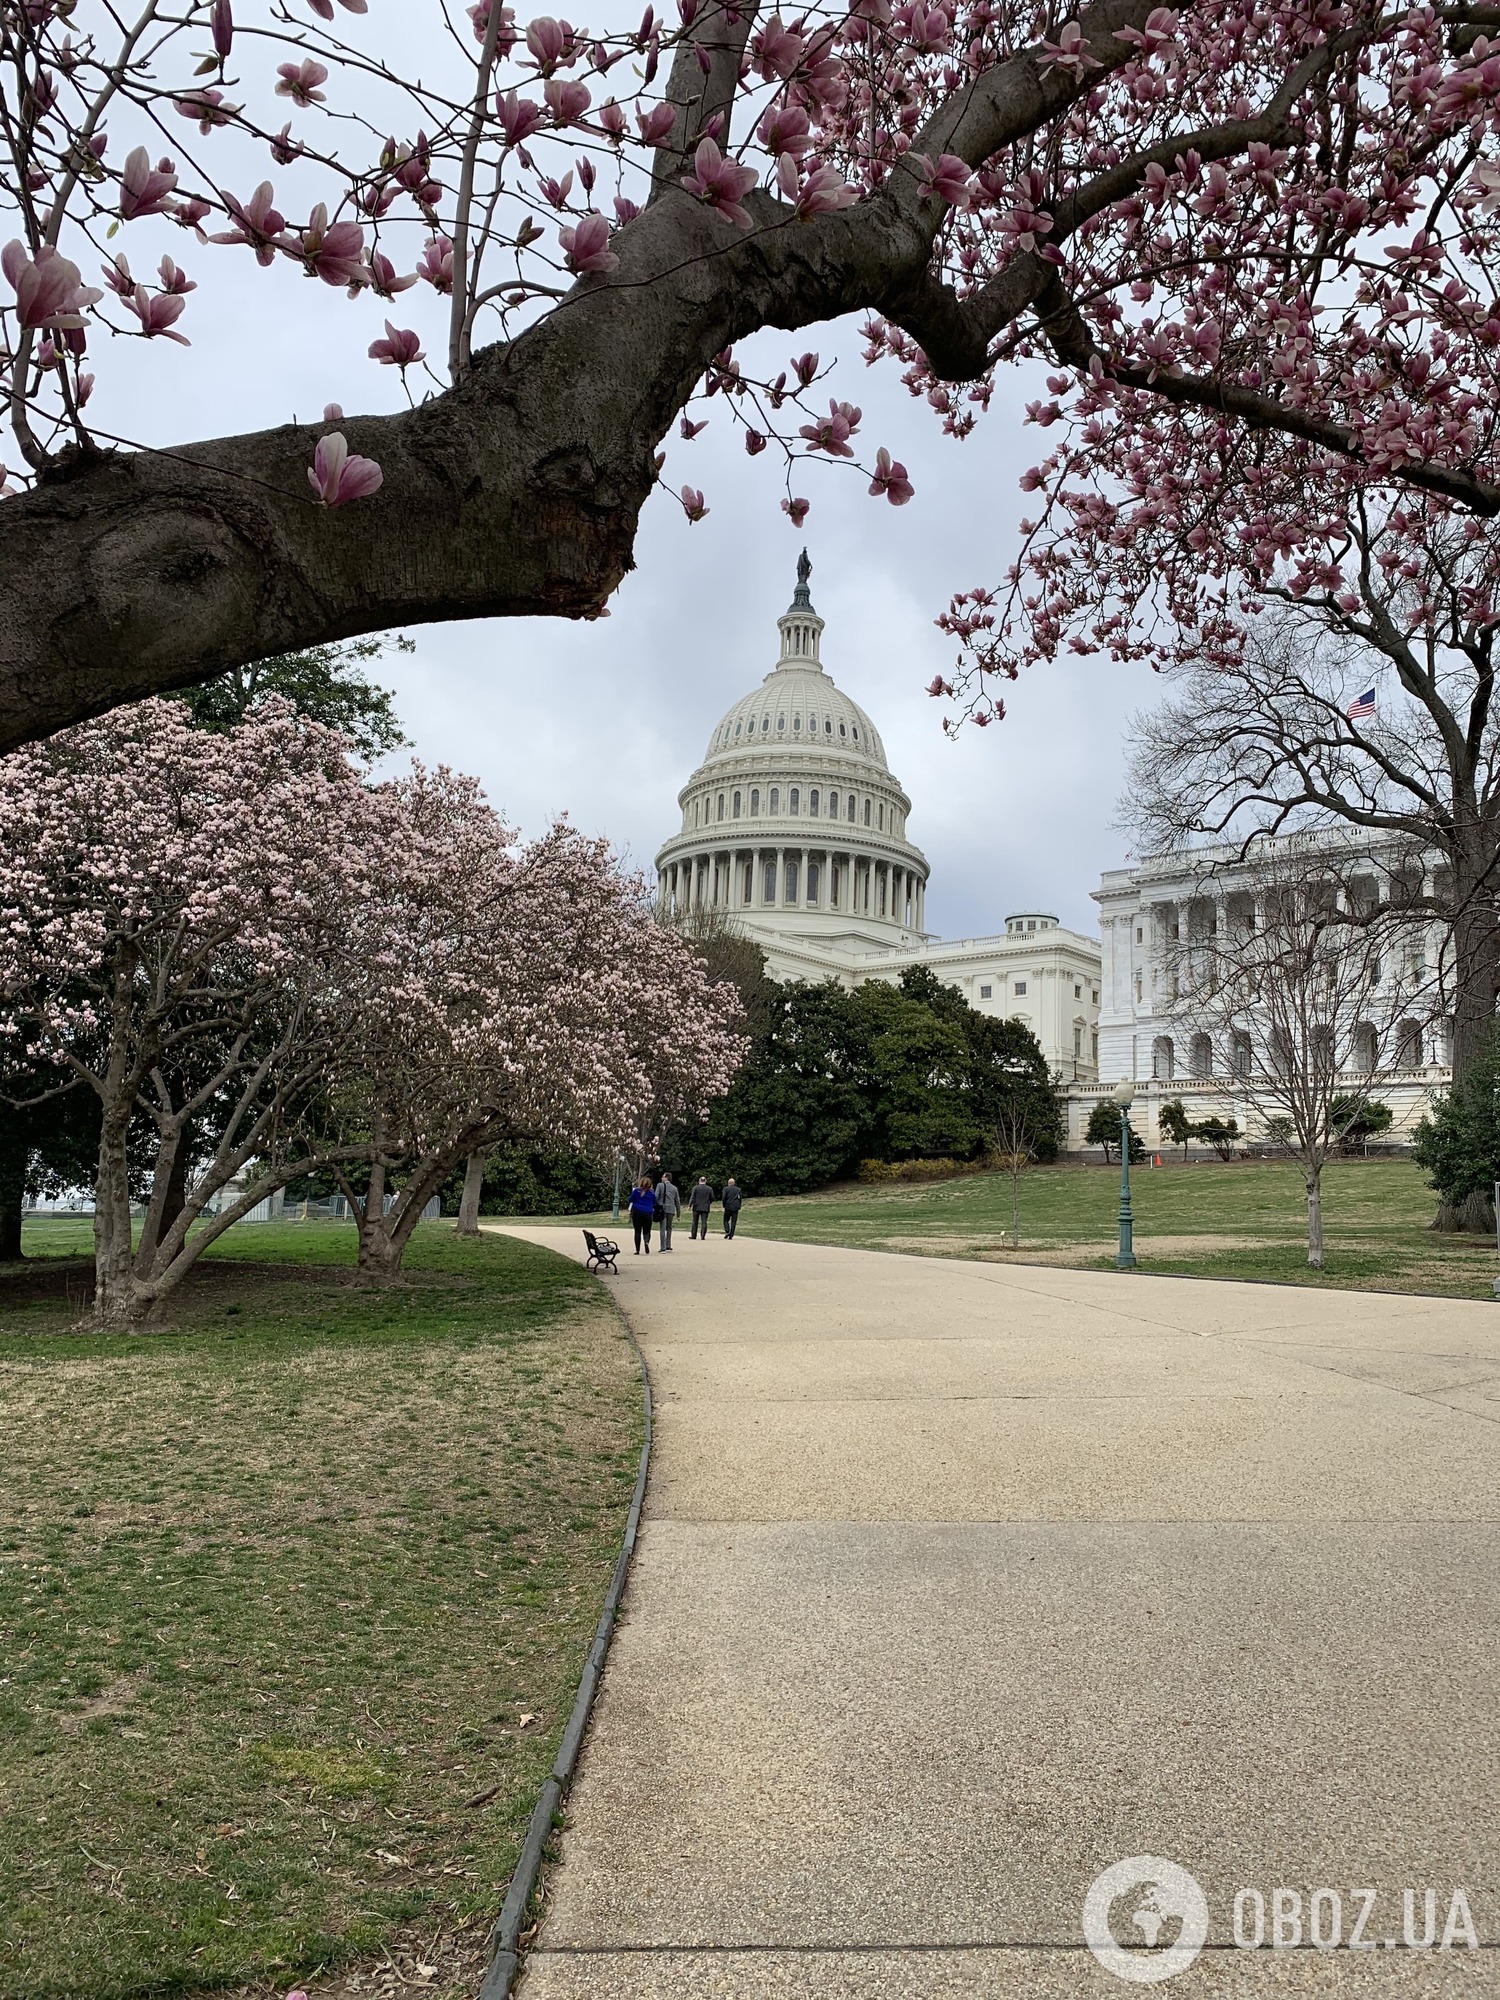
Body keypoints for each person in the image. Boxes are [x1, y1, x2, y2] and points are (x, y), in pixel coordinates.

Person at [627, 1176, 656, 1255]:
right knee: (647, 1230)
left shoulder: (636, 1191)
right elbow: (654, 1202)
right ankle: (646, 1242)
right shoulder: (652, 1192)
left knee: (637, 1231)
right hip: (648, 1212)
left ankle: (637, 1250)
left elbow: (630, 1199)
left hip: (637, 1211)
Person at [656, 1170, 680, 1252]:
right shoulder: (674, 1188)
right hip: (671, 1209)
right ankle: (668, 1245)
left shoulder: (660, 1185)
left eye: (663, 1176)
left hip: (662, 1209)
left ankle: (663, 1247)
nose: (661, 1178)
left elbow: (656, 1196)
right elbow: (677, 1201)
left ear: (666, 1177)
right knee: (669, 1227)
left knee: (662, 1227)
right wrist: (678, 1213)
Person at [688, 1175, 715, 1240]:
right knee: (704, 1221)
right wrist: (708, 1203)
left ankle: (693, 1235)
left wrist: (690, 1205)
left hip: (696, 1207)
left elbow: (692, 1197)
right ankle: (703, 1235)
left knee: (695, 1221)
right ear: (705, 1181)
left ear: (699, 1181)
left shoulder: (695, 1188)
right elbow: (712, 1198)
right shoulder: (709, 1189)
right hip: (705, 1207)